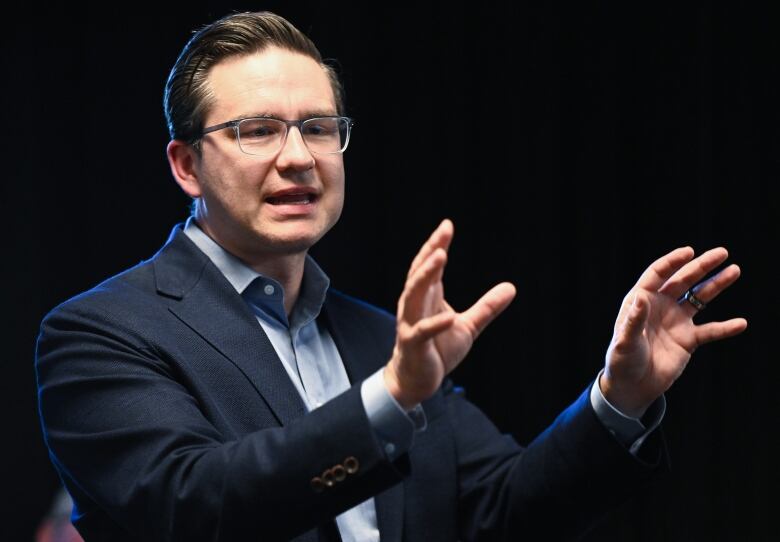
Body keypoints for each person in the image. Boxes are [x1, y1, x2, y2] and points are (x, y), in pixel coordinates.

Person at [35, 11, 747, 542]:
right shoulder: (99, 332)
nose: (298, 157)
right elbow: (189, 507)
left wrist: (619, 396)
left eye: (318, 128)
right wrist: (392, 397)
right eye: (257, 130)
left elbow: (502, 508)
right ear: (186, 165)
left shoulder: (380, 337)